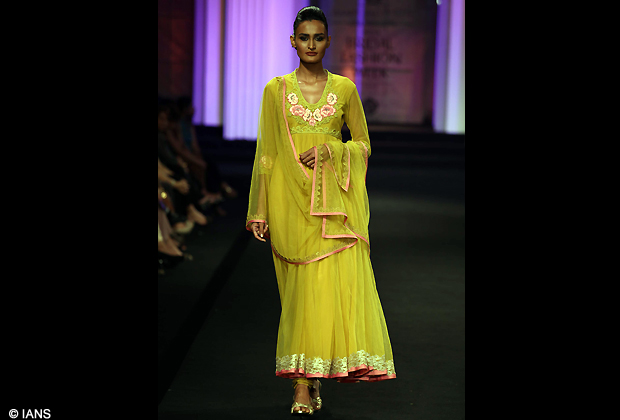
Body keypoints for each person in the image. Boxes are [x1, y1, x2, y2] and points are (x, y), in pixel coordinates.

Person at [245, 6, 395, 416]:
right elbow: (267, 155)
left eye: (318, 37)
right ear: (293, 42)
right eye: (304, 37)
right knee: (297, 292)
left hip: (332, 202)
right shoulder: (274, 90)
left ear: (328, 42)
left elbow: (362, 144)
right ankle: (304, 379)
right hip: (287, 198)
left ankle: (303, 384)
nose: (311, 44)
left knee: (321, 286)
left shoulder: (345, 89)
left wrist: (332, 148)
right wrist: (259, 208)